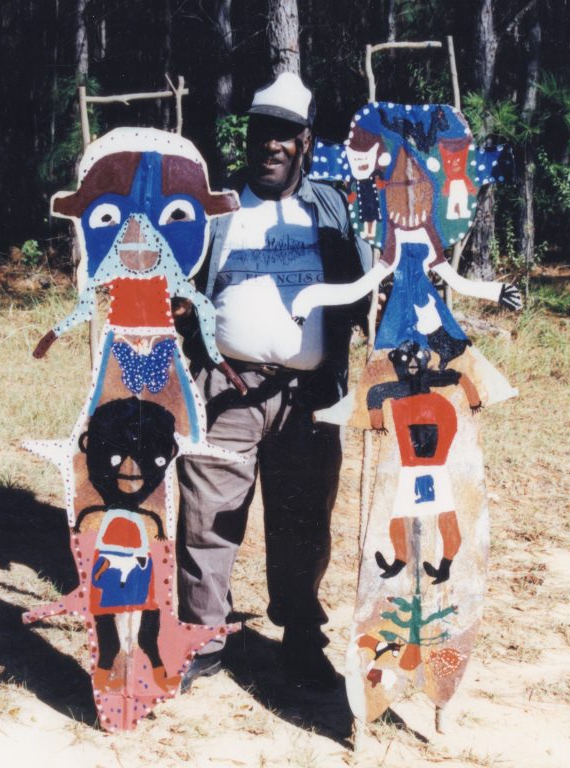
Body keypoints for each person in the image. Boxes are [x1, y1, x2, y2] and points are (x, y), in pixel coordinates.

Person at [175, 72, 372, 691]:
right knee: (208, 517)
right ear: (250, 135)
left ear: (305, 141)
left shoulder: (333, 208)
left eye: (286, 134)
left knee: (304, 521)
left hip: (309, 397)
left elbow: (368, 286)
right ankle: (204, 639)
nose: (272, 145)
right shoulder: (215, 208)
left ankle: (300, 640)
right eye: (263, 131)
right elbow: (175, 280)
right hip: (226, 389)